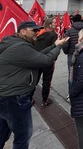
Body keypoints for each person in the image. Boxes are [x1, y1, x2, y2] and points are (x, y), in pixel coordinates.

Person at [0, 21, 68, 149]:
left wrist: (54, 45)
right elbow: (46, 60)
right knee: (23, 135)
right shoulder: (20, 47)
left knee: (3, 131)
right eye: (34, 30)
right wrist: (58, 47)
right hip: (15, 97)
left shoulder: (13, 43)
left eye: (38, 30)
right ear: (23, 31)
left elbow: (37, 56)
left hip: (6, 95)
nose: (37, 33)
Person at [34, 17, 58, 108]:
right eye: (54, 23)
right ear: (50, 24)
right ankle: (45, 100)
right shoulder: (53, 35)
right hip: (47, 61)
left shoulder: (38, 33)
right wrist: (54, 59)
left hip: (36, 59)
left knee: (34, 80)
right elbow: (55, 47)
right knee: (46, 81)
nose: (56, 24)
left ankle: (29, 98)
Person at [63, 14, 83, 85]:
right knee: (82, 72)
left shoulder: (69, 31)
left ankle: (71, 92)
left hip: (71, 53)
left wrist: (66, 51)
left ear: (72, 21)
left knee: (71, 73)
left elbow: (65, 43)